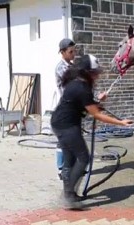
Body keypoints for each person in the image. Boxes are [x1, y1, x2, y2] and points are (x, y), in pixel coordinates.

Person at [50, 54, 134, 205]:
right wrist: (121, 123)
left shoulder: (77, 83)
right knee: (84, 158)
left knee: (70, 160)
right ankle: (68, 196)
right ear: (87, 72)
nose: (97, 75)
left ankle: (69, 195)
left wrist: (97, 102)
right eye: (95, 72)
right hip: (67, 126)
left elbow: (87, 105)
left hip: (60, 123)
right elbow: (97, 114)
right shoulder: (81, 87)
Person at [54, 38, 76, 179]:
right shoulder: (61, 67)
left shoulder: (71, 66)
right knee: (63, 141)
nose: (74, 54)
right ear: (62, 52)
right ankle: (61, 169)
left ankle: (71, 167)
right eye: (71, 52)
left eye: (74, 51)